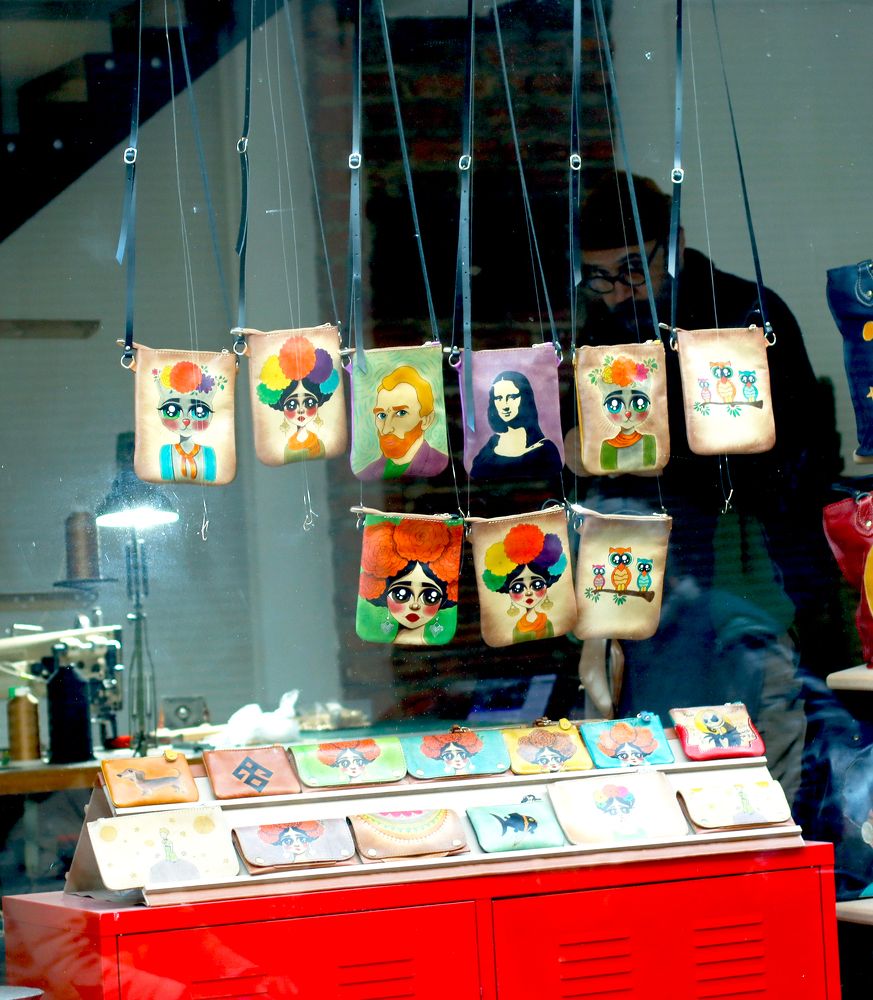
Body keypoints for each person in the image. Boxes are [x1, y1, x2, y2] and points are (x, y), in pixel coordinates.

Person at [571, 172, 848, 802]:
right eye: (599, 275)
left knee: (757, 747)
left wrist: (671, 458)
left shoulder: (745, 312)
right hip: (645, 568)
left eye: (633, 268)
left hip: (743, 558)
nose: (618, 289)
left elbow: (799, 453)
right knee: (655, 746)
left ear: (674, 245)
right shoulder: (602, 324)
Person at [257, 334, 340, 462]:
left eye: (309, 402)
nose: (301, 410)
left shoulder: (321, 444)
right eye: (291, 405)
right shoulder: (286, 448)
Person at [359, 365, 448, 479]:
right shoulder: (367, 473)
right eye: (381, 415)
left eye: (401, 413)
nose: (386, 429)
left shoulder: (439, 464)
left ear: (426, 420)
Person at [471, 370, 562, 479]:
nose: (504, 405)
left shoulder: (545, 451)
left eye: (511, 397)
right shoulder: (489, 449)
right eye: (499, 398)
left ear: (525, 398)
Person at [155, 360, 224, 482]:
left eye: (199, 412)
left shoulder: (209, 454)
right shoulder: (165, 452)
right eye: (172, 411)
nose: (186, 420)